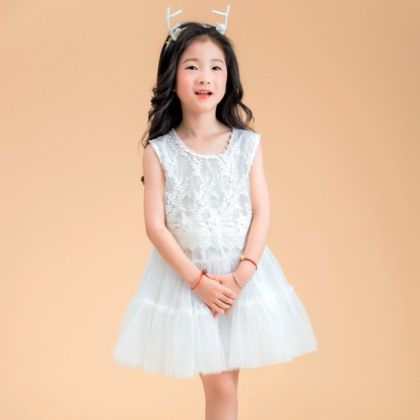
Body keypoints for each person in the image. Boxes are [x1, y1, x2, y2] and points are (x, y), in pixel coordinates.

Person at [113, 5, 317, 420]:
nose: (204, 77)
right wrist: (198, 282)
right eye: (192, 66)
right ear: (173, 76)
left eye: (215, 67)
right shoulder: (160, 151)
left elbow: (261, 211)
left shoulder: (246, 144)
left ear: (229, 77)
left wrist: (243, 274)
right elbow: (155, 226)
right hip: (190, 281)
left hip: (240, 278)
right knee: (220, 386)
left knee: (226, 386)